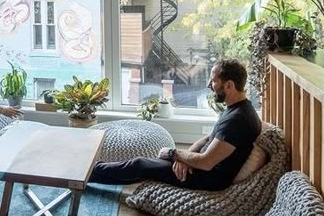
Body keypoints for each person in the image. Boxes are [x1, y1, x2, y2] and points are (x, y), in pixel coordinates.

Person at [90, 59, 261, 189]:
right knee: (142, 167)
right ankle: (93, 172)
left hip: (205, 178)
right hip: (197, 167)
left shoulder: (237, 120)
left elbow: (206, 162)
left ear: (229, 85)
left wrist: (172, 153)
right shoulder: (238, 108)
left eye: (214, 81)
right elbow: (209, 139)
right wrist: (184, 157)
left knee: (139, 165)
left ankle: (87, 172)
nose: (209, 85)